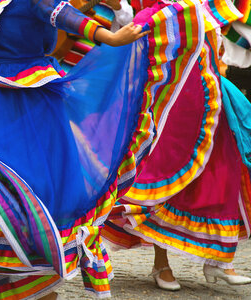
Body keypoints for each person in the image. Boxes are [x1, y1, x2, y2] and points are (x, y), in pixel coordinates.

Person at [0, 0, 205, 298]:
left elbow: (58, 13)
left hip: (20, 104)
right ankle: (11, 279)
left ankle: (29, 279)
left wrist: (111, 35)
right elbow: (55, 13)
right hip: (3, 104)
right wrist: (109, 35)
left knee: (20, 190)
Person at [100, 0, 251, 291]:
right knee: (163, 170)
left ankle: (221, 259)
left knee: (222, 170)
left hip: (208, 86)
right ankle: (162, 263)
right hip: (167, 89)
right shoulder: (155, 9)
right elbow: (125, 25)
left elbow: (212, 23)